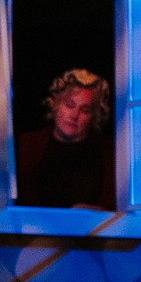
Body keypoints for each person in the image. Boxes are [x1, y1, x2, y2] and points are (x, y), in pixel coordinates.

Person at [15, 67, 115, 210]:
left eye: (85, 110)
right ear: (55, 104)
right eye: (69, 105)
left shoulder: (112, 154)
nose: (74, 115)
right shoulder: (25, 146)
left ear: (95, 116)